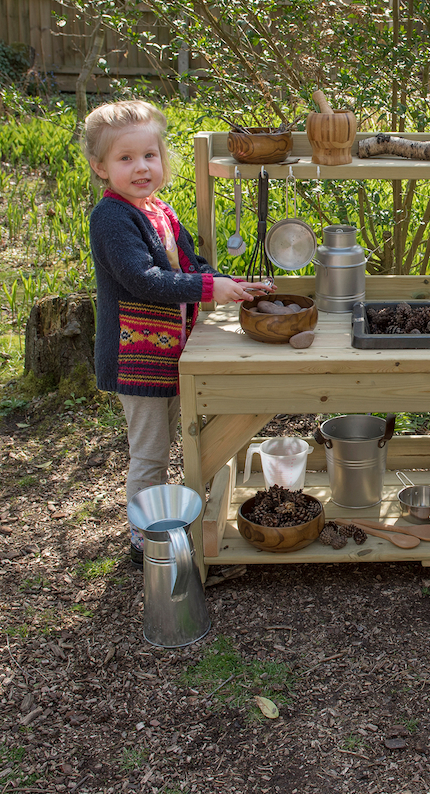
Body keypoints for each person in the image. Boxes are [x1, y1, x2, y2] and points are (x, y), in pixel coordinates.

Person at [84, 100, 271, 565]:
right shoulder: (112, 218)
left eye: (149, 155)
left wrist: (231, 285)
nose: (141, 167)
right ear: (100, 167)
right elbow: (143, 280)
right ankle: (144, 540)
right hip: (137, 359)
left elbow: (191, 265)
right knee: (149, 453)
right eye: (125, 159)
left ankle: (170, 518)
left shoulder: (158, 211)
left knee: (175, 439)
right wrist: (212, 287)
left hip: (170, 353)